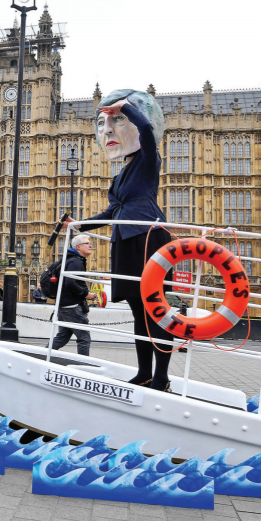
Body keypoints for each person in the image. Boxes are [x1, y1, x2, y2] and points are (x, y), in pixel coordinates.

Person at [64, 89, 174, 391]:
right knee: (139, 312)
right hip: (124, 241)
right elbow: (113, 212)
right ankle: (145, 372)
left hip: (147, 237)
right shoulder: (121, 174)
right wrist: (79, 224)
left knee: (156, 309)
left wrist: (125, 107)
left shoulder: (148, 159)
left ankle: (162, 377)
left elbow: (147, 131)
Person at [49, 235, 98, 356]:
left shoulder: (71, 260)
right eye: (87, 243)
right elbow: (69, 282)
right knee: (84, 338)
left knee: (62, 337)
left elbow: (72, 283)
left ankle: (42, 356)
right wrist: (86, 294)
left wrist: (87, 293)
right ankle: (82, 365)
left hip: (64, 305)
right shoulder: (75, 261)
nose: (90, 245)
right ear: (78, 247)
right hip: (71, 307)